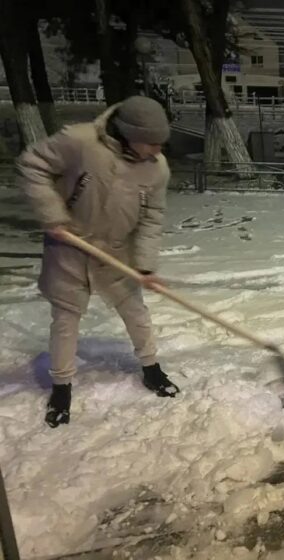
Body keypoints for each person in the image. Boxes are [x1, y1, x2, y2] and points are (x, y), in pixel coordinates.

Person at [16, 95, 180, 428]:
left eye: (161, 143)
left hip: (116, 254)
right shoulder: (80, 142)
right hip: (70, 248)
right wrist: (52, 214)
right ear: (128, 134)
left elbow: (152, 217)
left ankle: (152, 368)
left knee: (136, 314)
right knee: (65, 321)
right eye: (151, 143)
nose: (157, 150)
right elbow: (32, 164)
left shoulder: (157, 168)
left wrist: (145, 265)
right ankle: (61, 388)